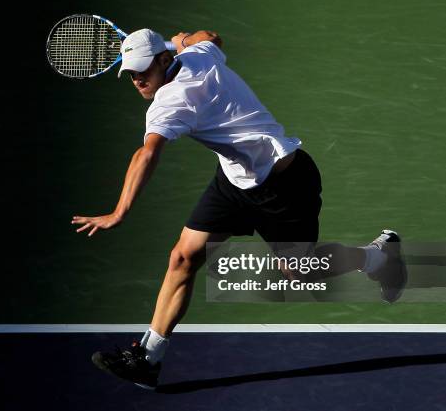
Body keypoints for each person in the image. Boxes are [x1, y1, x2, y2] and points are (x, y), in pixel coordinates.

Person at [71, 28, 407, 390]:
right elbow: (210, 37)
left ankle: (378, 258)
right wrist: (182, 41)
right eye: (131, 72)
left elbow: (147, 153)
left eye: (143, 70)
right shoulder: (199, 55)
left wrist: (119, 211)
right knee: (183, 257)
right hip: (234, 183)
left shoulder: (172, 101)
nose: (137, 79)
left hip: (285, 187)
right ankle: (148, 358)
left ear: (164, 62)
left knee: (298, 274)